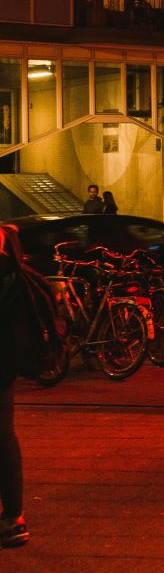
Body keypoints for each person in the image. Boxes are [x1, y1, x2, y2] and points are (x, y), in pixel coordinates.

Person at [0, 226, 30, 547]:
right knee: (3, 433)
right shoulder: (7, 237)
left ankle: (12, 517)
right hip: (4, 353)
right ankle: (13, 516)